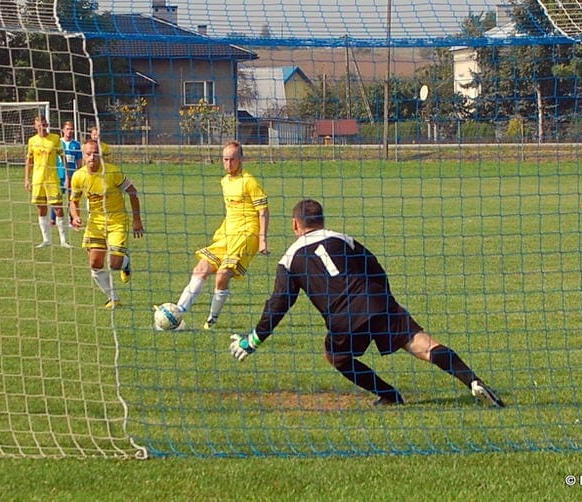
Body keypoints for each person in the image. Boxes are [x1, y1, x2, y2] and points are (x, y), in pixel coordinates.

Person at [229, 199, 504, 407]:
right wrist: (387, 301)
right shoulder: (342, 238)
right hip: (377, 301)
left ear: (295, 225)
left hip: (343, 318)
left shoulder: (289, 260)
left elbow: (279, 304)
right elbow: (375, 267)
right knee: (423, 345)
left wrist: (254, 340)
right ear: (322, 221)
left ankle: (390, 396)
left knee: (335, 356)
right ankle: (473, 380)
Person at [172, 140, 269, 328]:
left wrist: (263, 239)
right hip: (226, 233)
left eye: (232, 159)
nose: (228, 164)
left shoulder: (249, 182)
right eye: (225, 159)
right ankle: (176, 313)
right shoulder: (224, 182)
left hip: (246, 234)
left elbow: (263, 211)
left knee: (222, 274)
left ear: (241, 159)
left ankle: (212, 319)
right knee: (200, 269)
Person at [69, 139, 144, 308]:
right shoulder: (78, 176)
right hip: (95, 223)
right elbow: (73, 201)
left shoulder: (113, 173)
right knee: (95, 263)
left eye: (96, 153)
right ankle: (114, 298)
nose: (92, 157)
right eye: (88, 153)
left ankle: (125, 263)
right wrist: (75, 217)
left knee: (114, 263)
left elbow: (133, 193)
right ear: (83, 155)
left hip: (116, 221)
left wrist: (137, 220)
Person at [24, 115, 70, 248]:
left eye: (44, 125)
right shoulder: (32, 141)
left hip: (52, 179)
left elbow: (63, 157)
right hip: (38, 179)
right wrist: (27, 178)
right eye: (39, 126)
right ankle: (46, 240)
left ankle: (63, 240)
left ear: (47, 125)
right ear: (35, 126)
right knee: (41, 209)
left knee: (58, 209)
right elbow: (30, 161)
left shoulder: (55, 139)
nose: (42, 128)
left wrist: (67, 176)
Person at [51, 120, 83, 225]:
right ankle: (53, 219)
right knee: (56, 197)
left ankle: (71, 219)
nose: (69, 131)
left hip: (72, 174)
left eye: (71, 129)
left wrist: (79, 173)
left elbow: (79, 161)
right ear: (63, 130)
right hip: (59, 174)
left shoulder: (76, 144)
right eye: (67, 129)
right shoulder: (58, 143)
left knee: (72, 197)